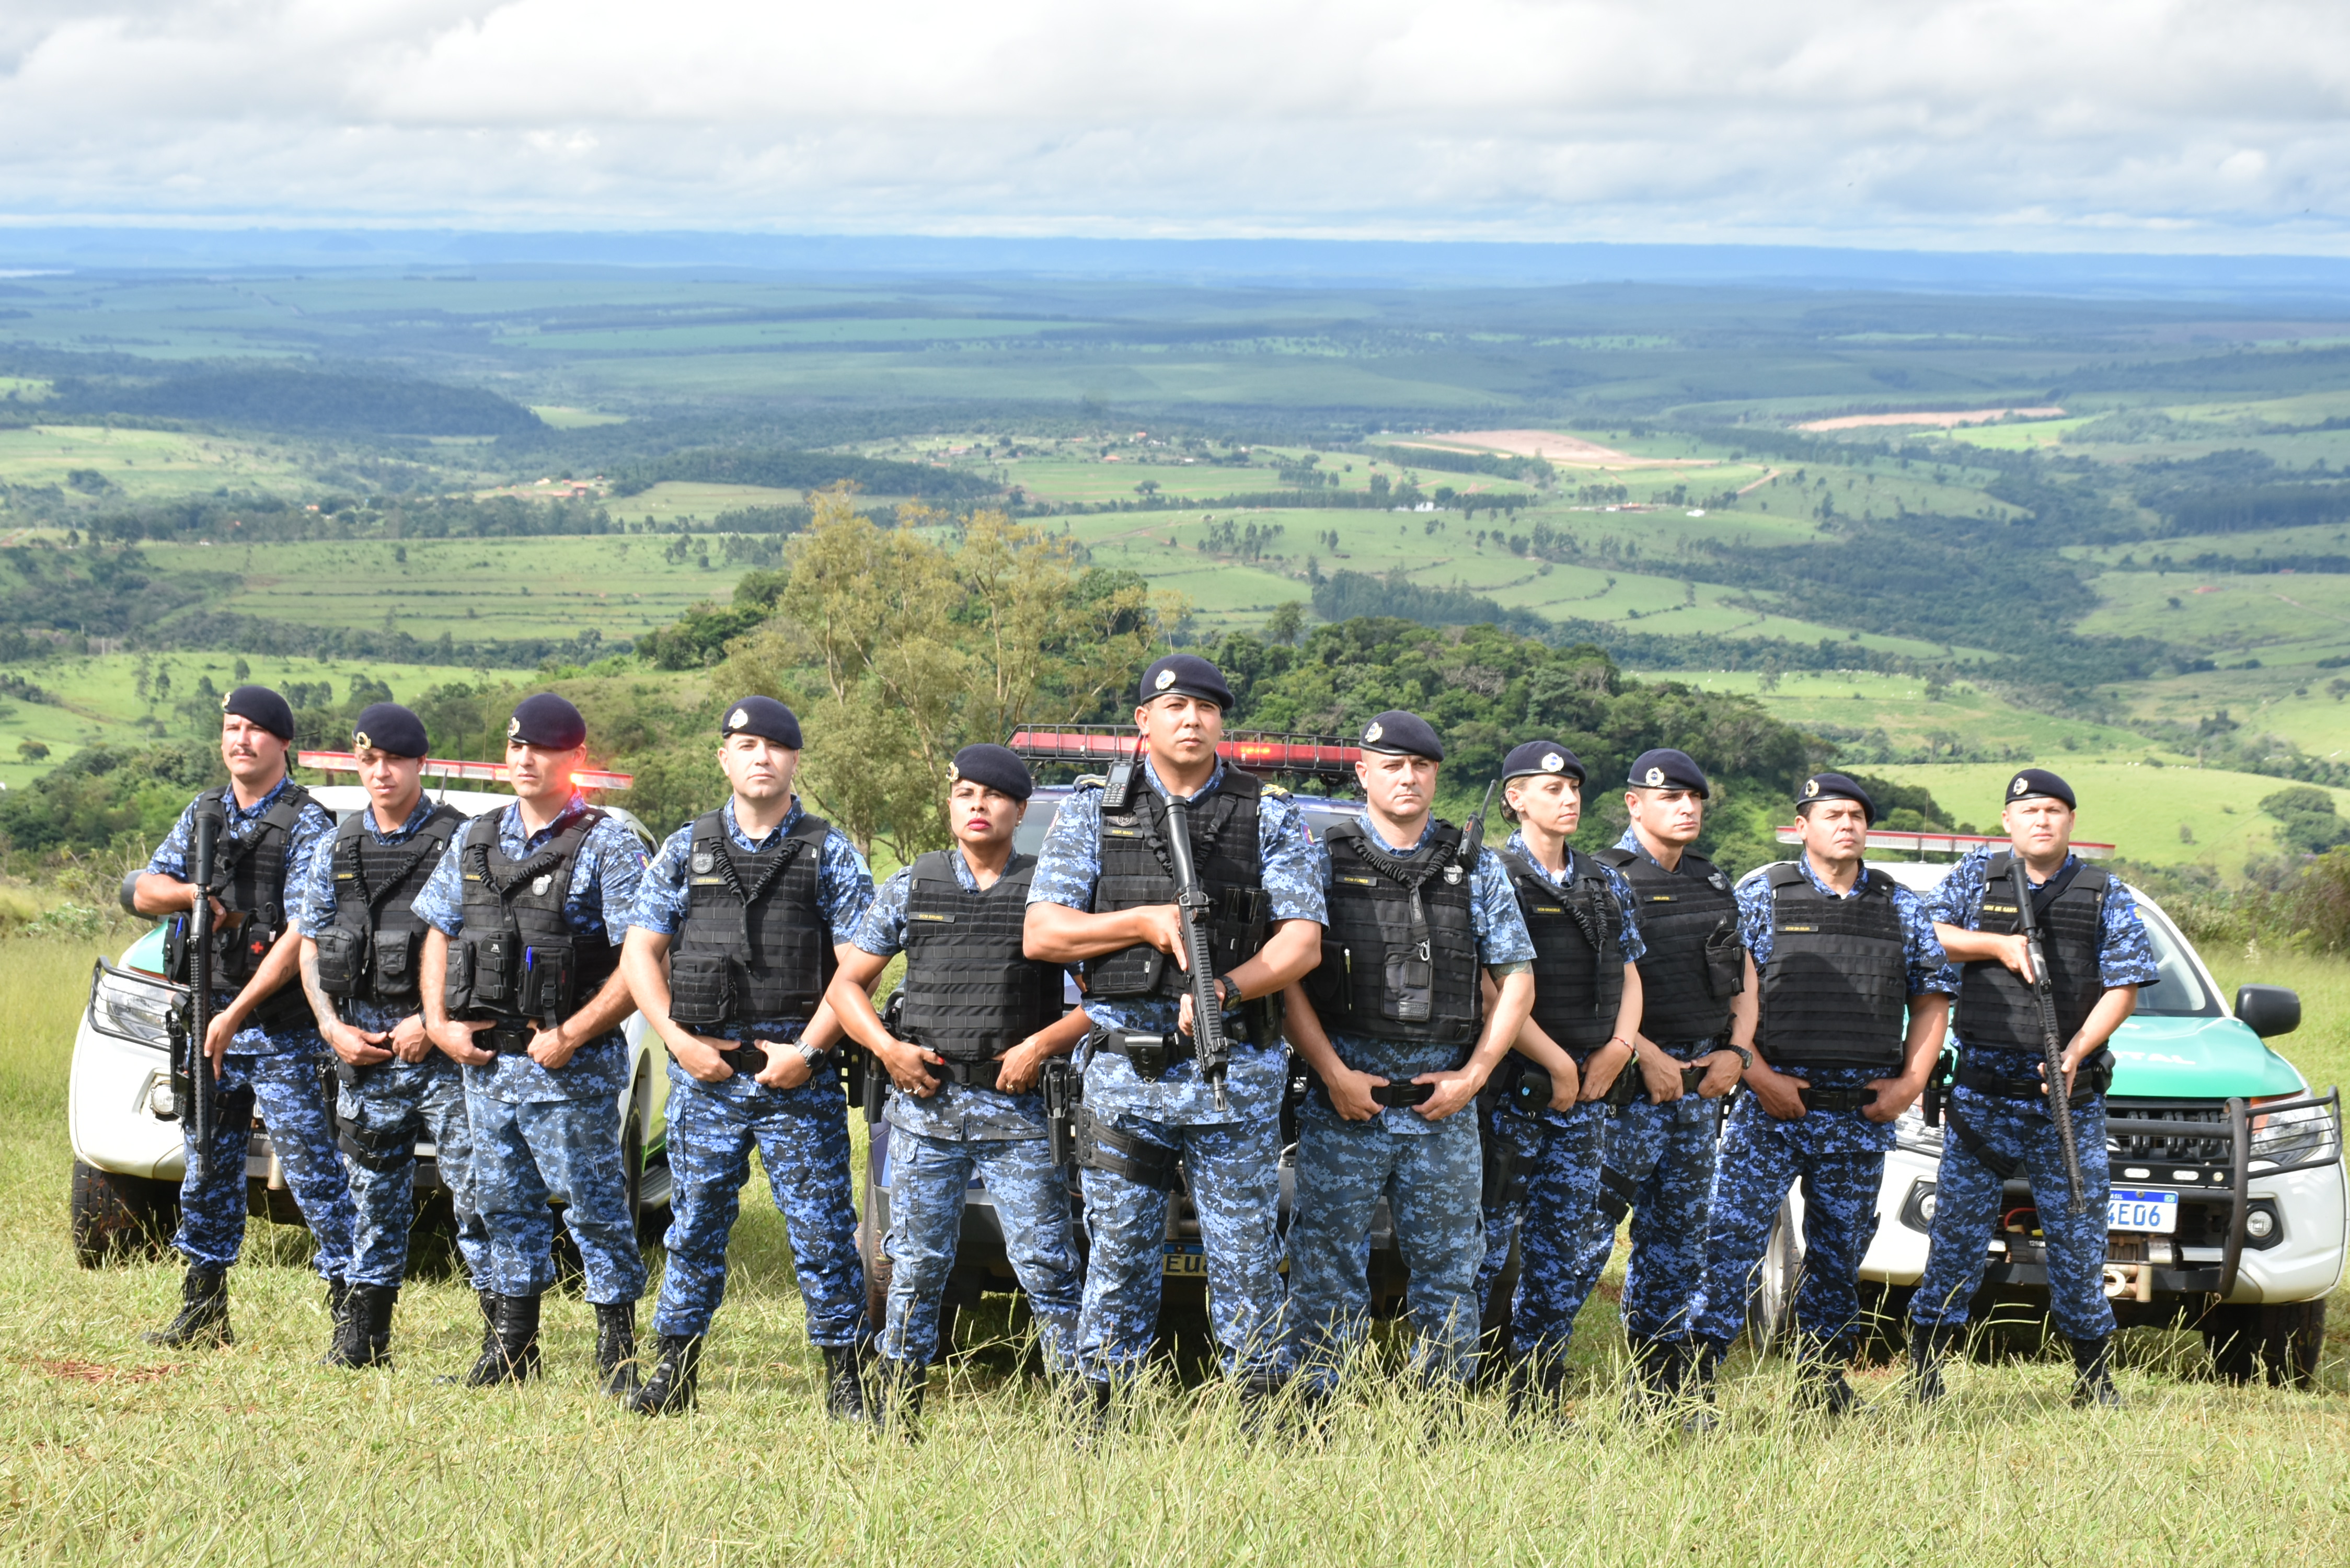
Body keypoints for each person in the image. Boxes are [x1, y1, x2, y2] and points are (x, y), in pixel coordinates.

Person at [1023, 654, 1326, 1424]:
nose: (1191, 719)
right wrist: (1143, 923)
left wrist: (1225, 988)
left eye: (1207, 708)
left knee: (1247, 1260)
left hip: (1234, 1076)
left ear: (1223, 722)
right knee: (1119, 1254)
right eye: (1176, 706)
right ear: (1145, 722)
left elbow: (1302, 944)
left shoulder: (1269, 814)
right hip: (1128, 1079)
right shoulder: (1095, 811)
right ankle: (1101, 1412)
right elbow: (1044, 933)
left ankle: (1262, 1412)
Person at [619, 697, 875, 1417]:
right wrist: (678, 1041)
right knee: (693, 1226)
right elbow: (641, 951)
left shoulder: (830, 852)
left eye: (776, 746)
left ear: (795, 760)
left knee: (823, 1233)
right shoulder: (687, 848)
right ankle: (674, 1373)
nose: (761, 756)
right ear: (724, 758)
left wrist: (810, 1050)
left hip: (799, 1073)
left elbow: (859, 965)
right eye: (747, 744)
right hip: (706, 1072)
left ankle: (846, 1381)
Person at [827, 743, 1091, 1433]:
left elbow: (1110, 998)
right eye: (965, 794)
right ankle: (897, 1411)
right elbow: (847, 985)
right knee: (914, 1267)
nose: (978, 806)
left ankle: (1079, 1415)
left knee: (1048, 1267)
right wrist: (887, 1049)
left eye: (994, 796)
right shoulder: (913, 884)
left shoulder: (1052, 890)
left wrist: (1041, 1044)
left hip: (1020, 1114)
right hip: (927, 1111)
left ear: (1020, 810)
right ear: (950, 805)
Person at [1281, 711, 1537, 1404]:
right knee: (1325, 1266)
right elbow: (1289, 979)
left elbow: (1517, 979)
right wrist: (1333, 1075)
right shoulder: (1319, 857)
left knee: (1452, 1270)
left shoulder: (1473, 864)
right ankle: (1317, 1410)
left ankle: (1436, 1414)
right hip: (1346, 1098)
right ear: (1363, 773)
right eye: (1391, 764)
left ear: (1435, 775)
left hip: (1443, 1103)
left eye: (1421, 765)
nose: (1408, 777)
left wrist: (1474, 1078)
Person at [1685, 773, 1954, 1418]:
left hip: (1859, 1112)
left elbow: (1931, 996)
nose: (1848, 824)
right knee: (1729, 1242)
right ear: (1801, 825)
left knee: (1839, 1253)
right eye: (1832, 813)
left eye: (1858, 815)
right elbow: (1723, 993)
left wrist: (1911, 1083)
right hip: (1771, 1106)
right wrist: (1758, 1076)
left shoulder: (1898, 904)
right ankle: (1694, 1377)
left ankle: (1822, 1381)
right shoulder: (1762, 894)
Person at [417, 693, 649, 1395]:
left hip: (568, 1068)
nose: (526, 759)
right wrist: (436, 1023)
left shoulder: (606, 843)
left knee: (594, 1205)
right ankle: (512, 1350)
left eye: (543, 748)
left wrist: (573, 1033)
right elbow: (439, 928)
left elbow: (641, 959)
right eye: (517, 747)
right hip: (488, 1064)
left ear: (576, 758)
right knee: (501, 1204)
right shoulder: (476, 837)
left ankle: (616, 1353)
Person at [1908, 768, 2155, 1409]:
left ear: (2070, 821)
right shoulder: (1975, 878)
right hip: (1982, 1096)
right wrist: (1995, 944)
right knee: (1956, 1239)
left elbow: (2123, 984)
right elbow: (1926, 935)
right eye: (2029, 811)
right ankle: (1926, 1373)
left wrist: (2076, 1051)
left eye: (2053, 810)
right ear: (2006, 822)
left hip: (2065, 1100)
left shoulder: (2104, 893)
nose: (2041, 820)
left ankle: (2092, 1378)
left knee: (2078, 1240)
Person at [134, 685, 355, 1355]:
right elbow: (145, 889)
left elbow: (299, 936)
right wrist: (194, 898)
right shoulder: (203, 813)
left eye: (256, 729)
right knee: (206, 1165)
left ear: (283, 743)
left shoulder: (307, 822)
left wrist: (236, 1012)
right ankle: (203, 1310)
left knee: (314, 1172)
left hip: (277, 1028)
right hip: (204, 1015)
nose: (241, 740)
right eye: (232, 727)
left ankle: (354, 1311)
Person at [294, 702, 479, 1368]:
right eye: (368, 761)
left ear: (420, 764)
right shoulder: (338, 844)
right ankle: (364, 1339)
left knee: (473, 1195)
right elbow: (311, 945)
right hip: (362, 1052)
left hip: (439, 1054)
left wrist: (429, 1023)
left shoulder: (464, 840)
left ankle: (504, 1345)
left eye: (394, 760)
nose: (381, 773)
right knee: (371, 1198)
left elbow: (479, 944)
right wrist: (330, 1026)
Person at [1575, 748, 1759, 1412]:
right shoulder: (1601, 877)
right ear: (1633, 803)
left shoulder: (1712, 883)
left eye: (1693, 799)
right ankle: (1529, 1381)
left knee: (1677, 1243)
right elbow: (1591, 991)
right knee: (1584, 1236)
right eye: (1668, 798)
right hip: (1626, 1093)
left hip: (1698, 1090)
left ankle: (1658, 1391)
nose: (1685, 808)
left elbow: (1742, 974)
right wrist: (1643, 1055)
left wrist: (1737, 1052)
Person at [1469, 741, 1648, 1417]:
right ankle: (1459, 1392)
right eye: (1551, 788)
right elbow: (1492, 989)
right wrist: (1556, 1062)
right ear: (1515, 797)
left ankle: (1537, 1394)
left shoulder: (1607, 880)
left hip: (1589, 1098)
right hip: (1515, 1094)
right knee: (1484, 1252)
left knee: (1564, 1255)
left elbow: (1630, 972)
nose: (1567, 797)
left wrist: (1620, 1048)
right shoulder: (1492, 874)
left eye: (1574, 786)